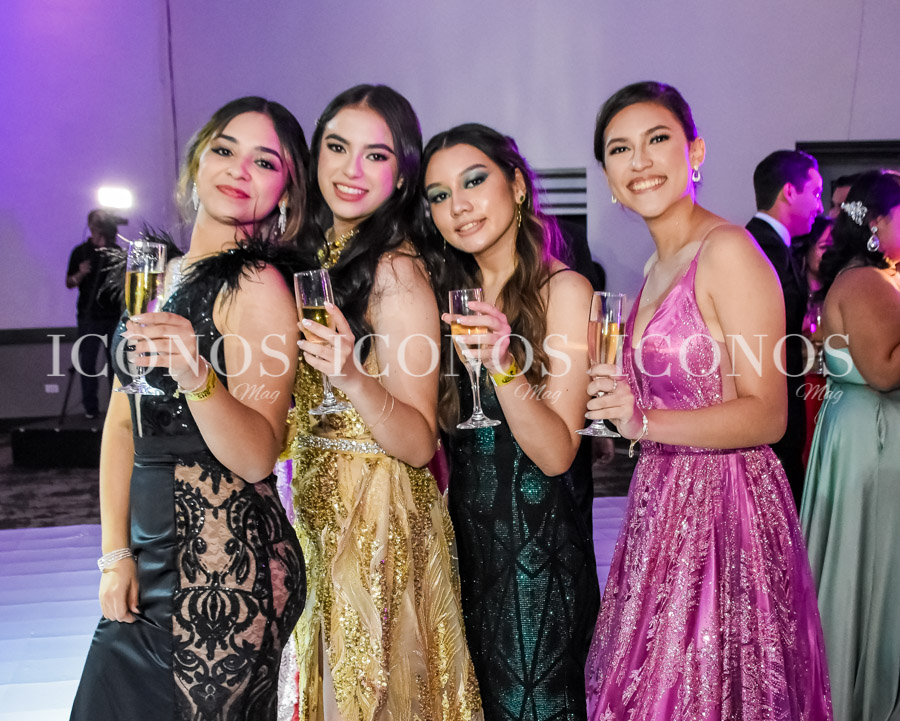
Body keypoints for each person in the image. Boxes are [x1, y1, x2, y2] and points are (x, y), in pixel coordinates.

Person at [583, 81, 832, 720]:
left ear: (694, 152)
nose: (640, 161)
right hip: (660, 498)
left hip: (727, 505)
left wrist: (642, 419)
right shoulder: (651, 268)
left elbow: (767, 412)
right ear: (608, 178)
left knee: (703, 691)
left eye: (657, 139)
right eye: (619, 149)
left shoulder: (728, 252)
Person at [70, 97, 308, 720]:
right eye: (225, 149)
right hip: (150, 560)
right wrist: (115, 554)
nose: (239, 169)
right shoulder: (157, 275)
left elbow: (257, 456)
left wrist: (198, 375)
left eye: (265, 161)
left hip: (222, 570)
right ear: (197, 162)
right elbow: (121, 423)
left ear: (285, 192)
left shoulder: (257, 286)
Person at [286, 85, 482, 721]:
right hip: (316, 506)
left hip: (377, 516)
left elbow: (419, 440)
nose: (351, 169)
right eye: (337, 147)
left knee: (368, 695)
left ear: (401, 175)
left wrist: (350, 375)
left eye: (376, 155)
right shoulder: (317, 255)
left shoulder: (396, 273)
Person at [423, 123, 600, 721]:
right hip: (465, 552)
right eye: (440, 195)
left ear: (517, 186)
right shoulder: (451, 297)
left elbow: (556, 454)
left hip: (539, 560)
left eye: (474, 181)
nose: (458, 205)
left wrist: (504, 367)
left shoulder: (565, 291)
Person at [800, 170, 900, 721]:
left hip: (862, 432)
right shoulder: (865, 282)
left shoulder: (869, 277)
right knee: (876, 566)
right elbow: (884, 371)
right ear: (877, 222)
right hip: (875, 439)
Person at [746, 149, 824, 508]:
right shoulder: (759, 247)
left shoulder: (775, 244)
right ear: (789, 192)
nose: (819, 206)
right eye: (816, 193)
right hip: (770, 403)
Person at [66, 210, 122, 418]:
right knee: (87, 363)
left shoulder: (115, 251)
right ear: (90, 226)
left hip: (112, 316)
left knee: (115, 364)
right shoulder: (81, 252)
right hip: (88, 317)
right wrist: (81, 273)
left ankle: (116, 409)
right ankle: (91, 409)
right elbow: (69, 282)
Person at [791, 215, 833, 464]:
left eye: (833, 248)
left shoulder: (837, 292)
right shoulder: (791, 291)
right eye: (824, 246)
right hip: (800, 382)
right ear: (809, 248)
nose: (829, 254)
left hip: (830, 383)